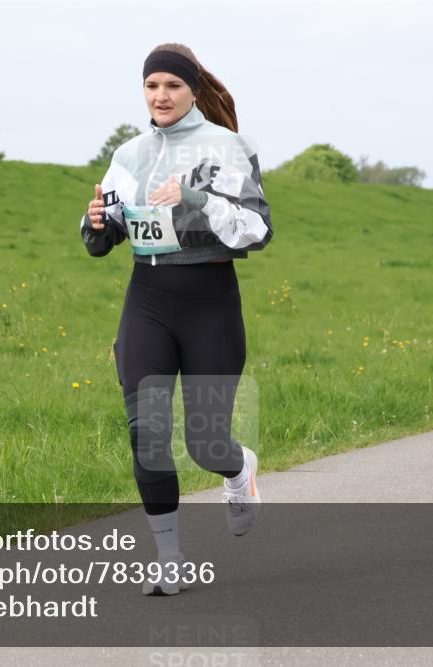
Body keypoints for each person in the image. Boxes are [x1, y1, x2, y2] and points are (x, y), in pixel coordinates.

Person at [80, 43, 273, 594]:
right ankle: (169, 558)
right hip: (148, 299)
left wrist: (194, 198)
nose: (160, 96)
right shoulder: (131, 152)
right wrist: (97, 223)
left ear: (192, 90)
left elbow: (256, 230)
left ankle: (239, 472)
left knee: (206, 443)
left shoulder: (227, 146)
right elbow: (105, 235)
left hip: (210, 300)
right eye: (151, 86)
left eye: (171, 86)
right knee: (147, 435)